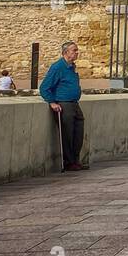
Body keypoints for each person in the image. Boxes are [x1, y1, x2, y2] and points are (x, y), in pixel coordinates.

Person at [39, 41, 86, 172]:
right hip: (64, 104)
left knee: (78, 133)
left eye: (77, 50)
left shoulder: (72, 67)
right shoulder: (58, 67)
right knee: (67, 134)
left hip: (74, 103)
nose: (77, 52)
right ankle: (69, 162)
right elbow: (44, 87)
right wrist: (52, 102)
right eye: (74, 50)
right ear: (66, 52)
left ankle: (75, 160)